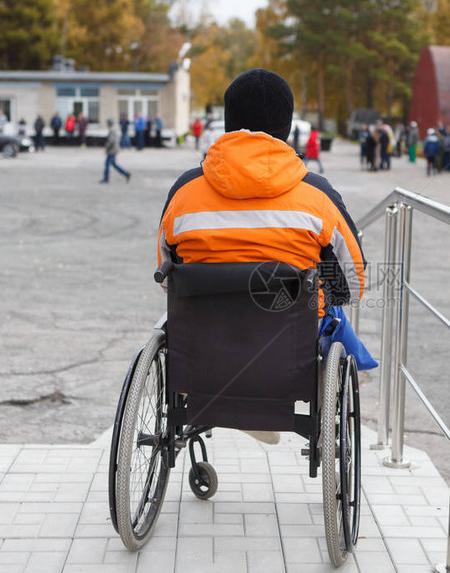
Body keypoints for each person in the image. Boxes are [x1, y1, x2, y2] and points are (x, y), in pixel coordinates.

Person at [157, 68, 370, 397]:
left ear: (228, 122)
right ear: (286, 127)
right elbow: (354, 282)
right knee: (329, 303)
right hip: (289, 359)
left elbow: (168, 276)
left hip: (205, 353)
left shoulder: (184, 192)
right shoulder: (319, 195)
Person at [100, 118, 131, 184]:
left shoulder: (112, 130)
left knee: (107, 164)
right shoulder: (114, 129)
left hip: (112, 150)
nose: (106, 124)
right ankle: (126, 174)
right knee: (113, 164)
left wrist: (106, 148)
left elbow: (111, 141)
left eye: (107, 123)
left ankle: (106, 179)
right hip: (114, 149)